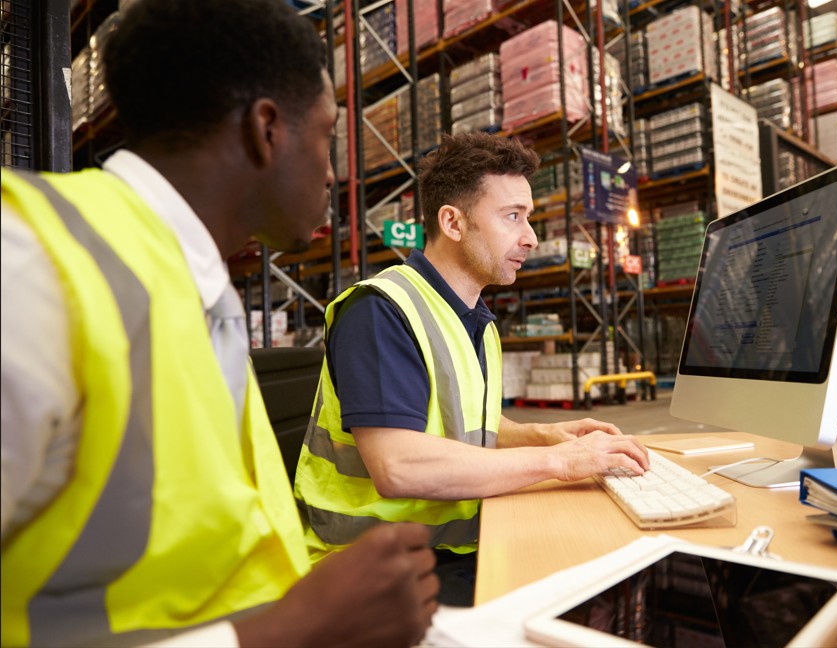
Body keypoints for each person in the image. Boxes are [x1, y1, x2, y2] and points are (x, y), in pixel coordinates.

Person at [0, 1, 437, 646]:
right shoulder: (28, 265)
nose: (331, 172)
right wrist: (292, 629)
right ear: (266, 130)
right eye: (326, 134)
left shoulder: (196, 289)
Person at [294, 132, 651, 605]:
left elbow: (467, 426)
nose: (531, 237)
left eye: (528, 217)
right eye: (512, 217)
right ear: (453, 222)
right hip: (368, 567)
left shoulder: (474, 320)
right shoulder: (380, 311)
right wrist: (560, 462)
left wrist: (546, 435)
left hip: (447, 547)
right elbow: (398, 465)